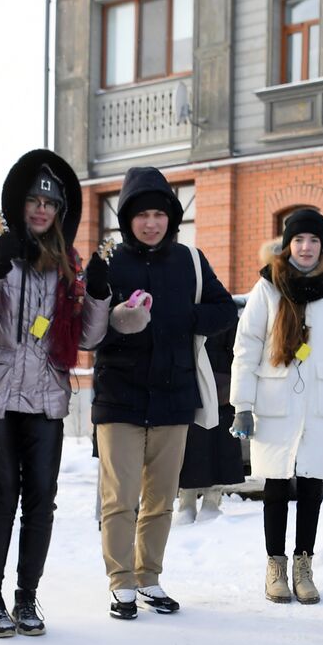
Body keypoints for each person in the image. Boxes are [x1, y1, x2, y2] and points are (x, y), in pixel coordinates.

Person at [0, 149, 110, 638]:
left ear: (60, 212)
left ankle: (25, 598)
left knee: (41, 498)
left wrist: (100, 295)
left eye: (51, 203)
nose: (41, 210)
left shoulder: (68, 263)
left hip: (44, 394)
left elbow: (86, 338)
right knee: (2, 495)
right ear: (19, 204)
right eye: (35, 201)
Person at [96, 166, 237, 619]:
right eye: (142, 214)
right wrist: (119, 321)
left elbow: (223, 310)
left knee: (161, 498)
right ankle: (121, 583)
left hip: (174, 394)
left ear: (171, 218)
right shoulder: (108, 262)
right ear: (127, 219)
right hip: (119, 396)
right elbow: (84, 330)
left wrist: (184, 319)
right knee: (121, 496)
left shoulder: (190, 261)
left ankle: (148, 577)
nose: (151, 222)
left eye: (159, 214)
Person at [229, 208, 323, 604]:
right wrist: (242, 403)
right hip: (275, 398)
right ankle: (275, 567)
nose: (306, 248)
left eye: (313, 240)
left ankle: (303, 568)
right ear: (287, 244)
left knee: (312, 488)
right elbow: (248, 345)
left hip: (320, 401)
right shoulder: (268, 287)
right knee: (276, 485)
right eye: (299, 240)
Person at [173, 316, 245, 525]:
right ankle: (202, 503)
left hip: (195, 388)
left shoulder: (189, 310)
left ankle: (195, 503)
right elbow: (237, 353)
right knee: (210, 450)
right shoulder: (224, 313)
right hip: (216, 389)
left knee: (196, 449)